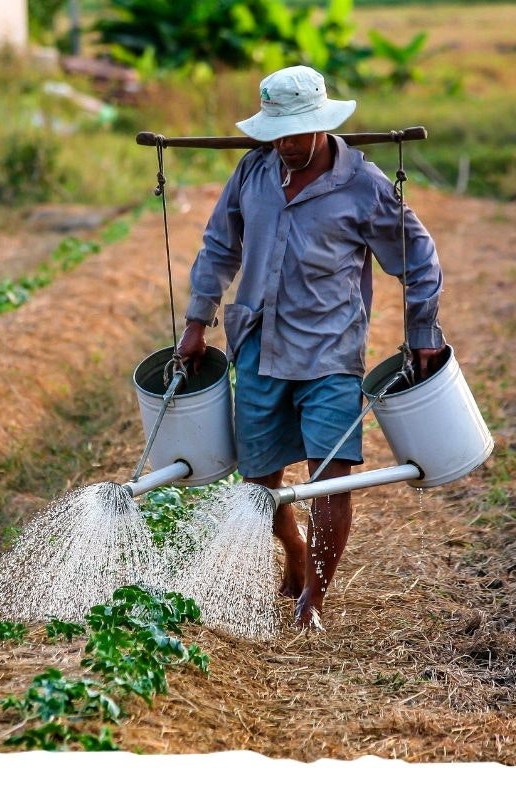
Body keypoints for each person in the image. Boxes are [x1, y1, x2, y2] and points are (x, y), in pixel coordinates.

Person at [176, 65, 447, 631]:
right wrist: (197, 321)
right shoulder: (252, 172)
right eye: (277, 133)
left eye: (297, 133)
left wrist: (422, 331)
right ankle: (294, 550)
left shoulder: (363, 185)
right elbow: (218, 247)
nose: (287, 144)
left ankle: (311, 603)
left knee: (331, 476)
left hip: (330, 353)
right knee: (259, 483)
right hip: (257, 345)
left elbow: (418, 259)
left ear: (323, 125)